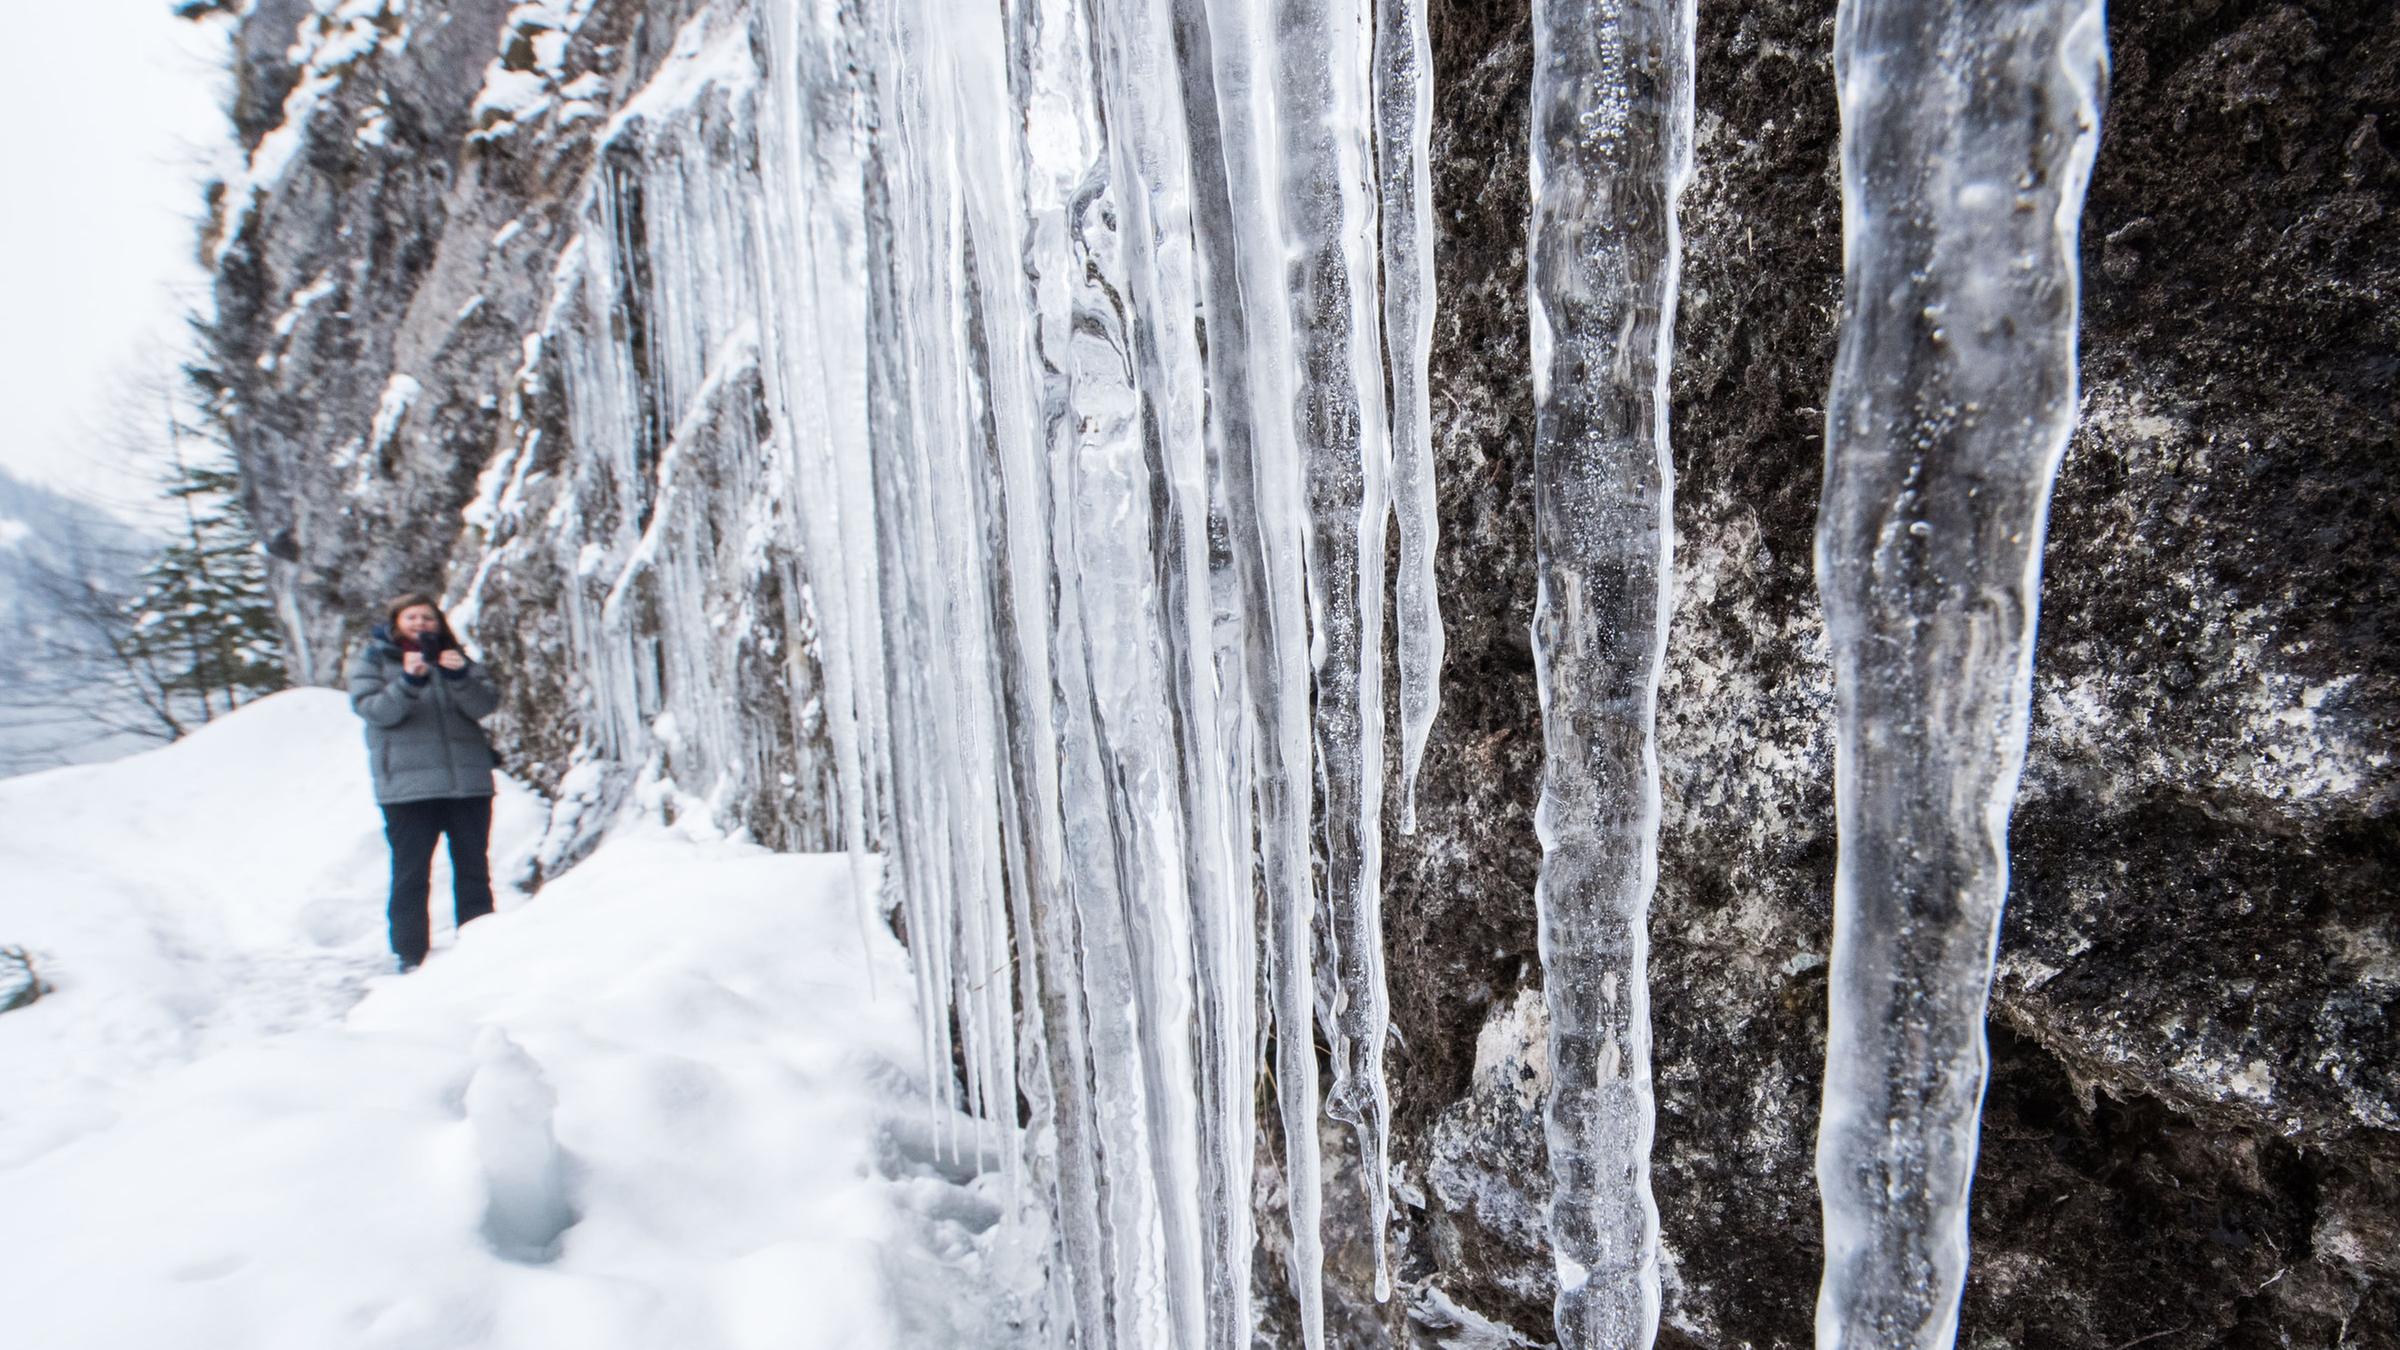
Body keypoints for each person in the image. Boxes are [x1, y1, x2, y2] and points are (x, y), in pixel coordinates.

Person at [347, 592, 502, 973]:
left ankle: (481, 946)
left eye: (428, 618)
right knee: (411, 872)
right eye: (412, 617)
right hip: (407, 789)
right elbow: (374, 711)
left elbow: (484, 706)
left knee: (473, 868)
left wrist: (459, 677)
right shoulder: (374, 660)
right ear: (396, 622)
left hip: (467, 783)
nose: (421, 624)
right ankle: (410, 955)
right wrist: (407, 681)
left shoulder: (457, 659)